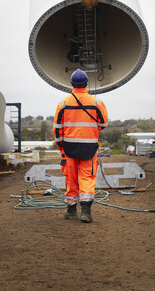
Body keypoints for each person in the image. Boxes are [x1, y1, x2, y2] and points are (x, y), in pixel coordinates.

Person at [53, 69, 108, 223]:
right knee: (87, 178)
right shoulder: (96, 103)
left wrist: (61, 148)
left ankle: (71, 212)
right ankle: (85, 213)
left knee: (71, 179)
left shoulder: (63, 103)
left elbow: (57, 129)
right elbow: (103, 123)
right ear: (86, 84)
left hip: (68, 148)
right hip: (89, 148)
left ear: (71, 84)